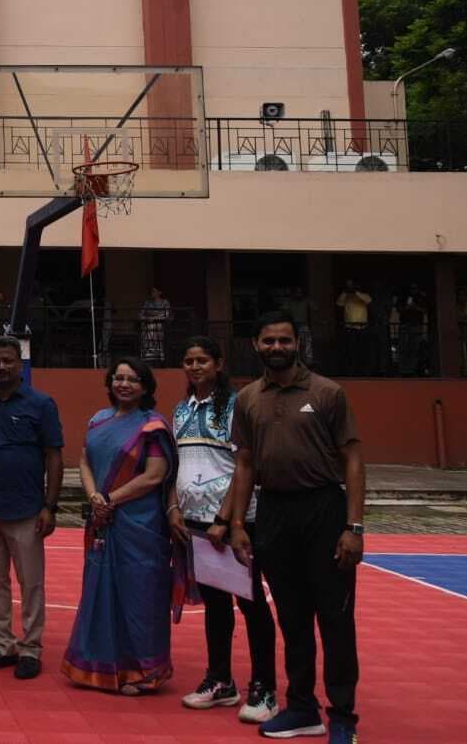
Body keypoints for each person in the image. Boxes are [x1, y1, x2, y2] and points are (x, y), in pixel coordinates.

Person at [227, 313, 365, 744]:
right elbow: (245, 463)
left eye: (284, 340)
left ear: (297, 343)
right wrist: (236, 523)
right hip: (272, 513)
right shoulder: (248, 398)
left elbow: (353, 460)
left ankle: (342, 715)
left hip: (323, 509)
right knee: (293, 619)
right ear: (255, 344)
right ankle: (302, 707)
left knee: (336, 619)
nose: (276, 347)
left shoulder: (328, 393)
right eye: (268, 340)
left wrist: (353, 526)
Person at [168, 337, 278, 723]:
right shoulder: (181, 409)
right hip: (196, 522)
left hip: (236, 523)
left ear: (218, 364)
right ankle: (220, 681)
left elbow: (244, 466)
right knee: (215, 605)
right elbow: (179, 463)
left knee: (250, 604)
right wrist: (175, 508)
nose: (195, 366)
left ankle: (264, 688)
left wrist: (225, 521)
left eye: (202, 360)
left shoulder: (235, 406)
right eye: (188, 360)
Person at [61, 357, 180, 695]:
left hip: (139, 524)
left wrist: (111, 499)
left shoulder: (152, 426)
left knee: (139, 595)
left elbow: (155, 475)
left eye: (132, 379)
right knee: (100, 591)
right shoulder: (98, 421)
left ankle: (142, 672)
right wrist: (95, 497)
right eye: (118, 378)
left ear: (145, 387)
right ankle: (98, 666)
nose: (124, 384)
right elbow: (84, 460)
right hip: (102, 520)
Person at [0, 335, 62, 679]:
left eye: (8, 360)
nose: (1, 367)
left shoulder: (41, 404)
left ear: (19, 363)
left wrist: (50, 506)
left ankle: (31, 648)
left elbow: (53, 455)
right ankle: (2, 644)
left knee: (31, 584)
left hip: (26, 509)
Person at [140, 286, 172, 364]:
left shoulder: (165, 302)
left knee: (155, 328)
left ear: (159, 293)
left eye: (154, 291)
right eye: (151, 292)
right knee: (148, 329)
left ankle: (158, 354)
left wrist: (155, 318)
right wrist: (147, 318)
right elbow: (141, 314)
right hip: (148, 324)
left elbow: (166, 314)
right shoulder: (148, 303)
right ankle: (148, 353)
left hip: (160, 324)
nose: (152, 293)